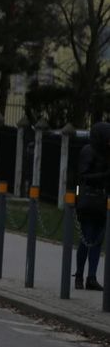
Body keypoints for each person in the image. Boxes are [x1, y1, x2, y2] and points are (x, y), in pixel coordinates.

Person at [74, 122, 110, 292]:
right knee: (87, 238)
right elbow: (83, 176)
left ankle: (92, 277)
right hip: (88, 200)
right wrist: (104, 175)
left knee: (97, 240)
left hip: (102, 201)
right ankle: (79, 275)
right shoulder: (88, 151)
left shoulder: (107, 153)